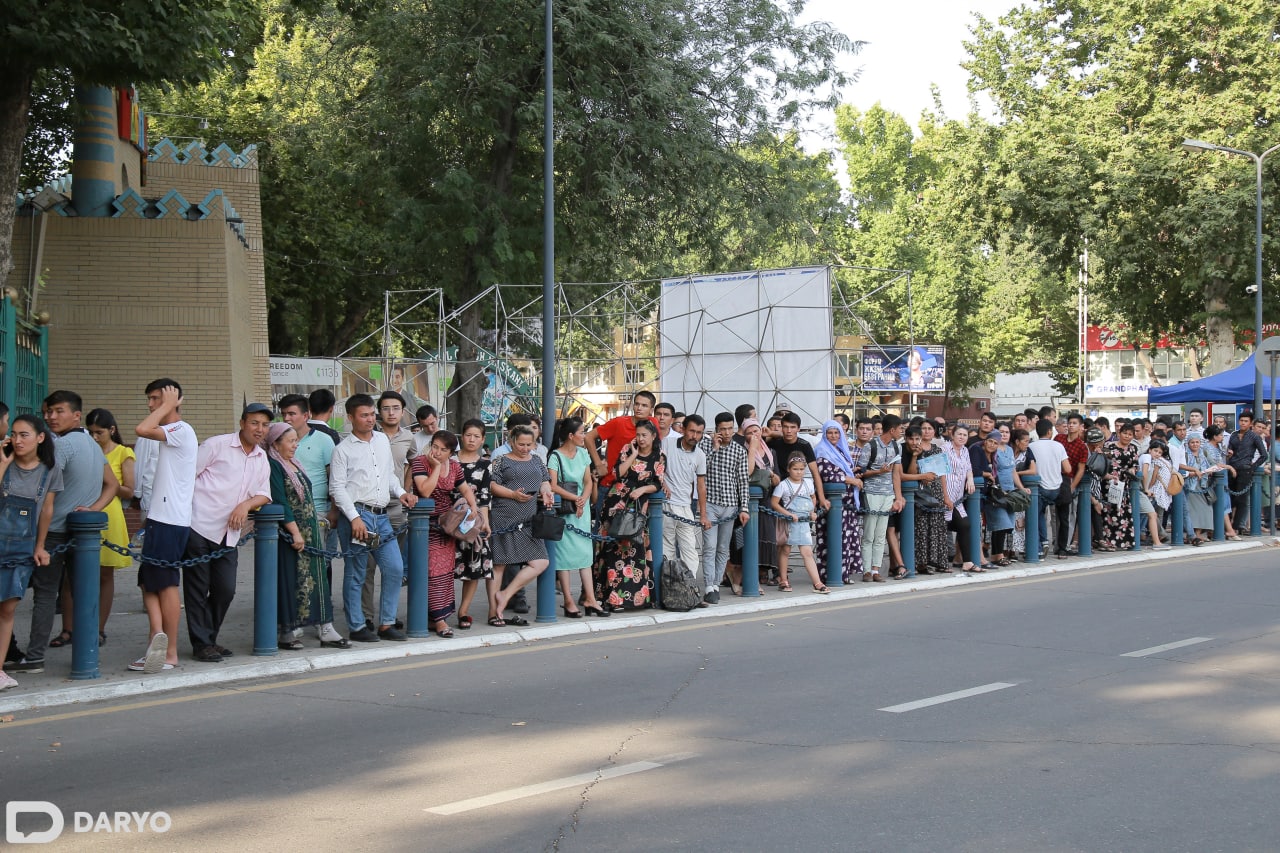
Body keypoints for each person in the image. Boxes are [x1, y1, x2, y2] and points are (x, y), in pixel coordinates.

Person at [14, 391, 117, 675]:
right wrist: (93, 508)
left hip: (55, 532)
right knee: (82, 591)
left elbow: (40, 490)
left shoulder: (62, 446)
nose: (51, 417)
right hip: (83, 534)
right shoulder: (92, 443)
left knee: (46, 595)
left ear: (75, 415)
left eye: (59, 411)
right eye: (49, 412)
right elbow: (112, 484)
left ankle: (34, 657)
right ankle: (87, 651)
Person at [184, 403, 272, 662]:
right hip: (198, 525)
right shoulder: (216, 445)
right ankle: (202, 644)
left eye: (265, 425)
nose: (260, 429)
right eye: (255, 423)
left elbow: (264, 494)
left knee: (225, 589)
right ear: (243, 422)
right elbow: (187, 476)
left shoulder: (260, 457)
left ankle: (208, 638)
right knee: (197, 590)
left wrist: (245, 505)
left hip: (228, 533)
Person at [331, 393, 418, 643]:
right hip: (357, 515)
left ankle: (387, 623)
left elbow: (389, 474)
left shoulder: (381, 440)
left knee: (394, 568)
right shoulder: (342, 450)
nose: (371, 419)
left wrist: (402, 493)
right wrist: (354, 517)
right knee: (357, 573)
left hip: (382, 516)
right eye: (364, 415)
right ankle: (357, 626)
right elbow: (337, 488)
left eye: (372, 414)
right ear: (350, 418)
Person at [130, 380, 197, 673]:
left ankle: (169, 652)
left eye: (156, 398)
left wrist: (169, 406)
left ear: (174, 400)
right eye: (149, 399)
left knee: (167, 582)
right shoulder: (171, 433)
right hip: (160, 517)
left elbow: (142, 430)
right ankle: (155, 637)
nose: (150, 405)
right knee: (148, 580)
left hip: (170, 519)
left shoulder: (180, 430)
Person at [264, 422, 347, 650]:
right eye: (290, 441)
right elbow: (282, 501)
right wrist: (294, 533)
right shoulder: (274, 466)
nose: (295, 445)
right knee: (293, 581)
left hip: (309, 533)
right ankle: (288, 632)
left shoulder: (293, 464)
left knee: (317, 578)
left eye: (295, 440)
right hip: (294, 536)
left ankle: (326, 628)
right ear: (276, 443)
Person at [0, 416, 62, 691]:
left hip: (21, 549)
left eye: (24, 434)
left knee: (7, 609)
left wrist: (40, 546)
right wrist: (2, 465)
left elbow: (46, 510)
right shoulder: (4, 463)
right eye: (14, 434)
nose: (18, 440)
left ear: (40, 438)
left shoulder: (50, 470)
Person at [64, 408, 135, 644]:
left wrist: (109, 484)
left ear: (112, 430)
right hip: (83, 510)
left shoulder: (123, 452)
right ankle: (69, 629)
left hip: (109, 512)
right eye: (91, 432)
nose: (95, 437)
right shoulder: (85, 448)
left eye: (100, 433)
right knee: (70, 574)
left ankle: (99, 628)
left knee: (105, 573)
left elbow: (129, 489)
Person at [412, 430, 479, 637]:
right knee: (431, 573)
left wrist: (473, 507)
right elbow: (424, 490)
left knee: (444, 574)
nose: (437, 452)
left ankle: (437, 617)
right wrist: (437, 467)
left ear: (451, 452)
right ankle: (438, 620)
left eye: (443, 450)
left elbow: (465, 488)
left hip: (447, 525)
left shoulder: (456, 466)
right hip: (424, 524)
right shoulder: (420, 462)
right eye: (435, 447)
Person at [593, 420, 664, 612]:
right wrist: (632, 455)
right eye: (638, 435)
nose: (640, 439)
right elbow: (617, 473)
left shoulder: (659, 457)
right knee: (612, 549)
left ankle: (634, 598)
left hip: (637, 506)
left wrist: (641, 490)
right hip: (615, 503)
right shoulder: (627, 449)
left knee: (635, 548)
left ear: (653, 436)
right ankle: (611, 599)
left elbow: (657, 483)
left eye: (644, 435)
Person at [489, 426, 555, 621]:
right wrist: (512, 494)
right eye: (521, 444)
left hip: (528, 521)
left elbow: (545, 480)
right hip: (504, 516)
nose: (525, 448)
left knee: (541, 561)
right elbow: (491, 485)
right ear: (512, 441)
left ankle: (505, 595)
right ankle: (494, 613)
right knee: (499, 565)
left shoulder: (536, 460)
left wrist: (546, 491)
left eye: (529, 444)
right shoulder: (501, 460)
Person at [367, 391, 417, 625]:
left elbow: (412, 465)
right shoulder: (370, 436)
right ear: (379, 411)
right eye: (386, 408)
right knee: (366, 568)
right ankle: (365, 617)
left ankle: (389, 616)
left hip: (397, 508)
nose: (391, 412)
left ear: (403, 411)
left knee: (393, 567)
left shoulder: (408, 437)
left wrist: (405, 489)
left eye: (395, 408)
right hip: (368, 507)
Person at [548, 417, 604, 616]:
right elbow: (553, 485)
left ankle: (590, 598)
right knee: (563, 557)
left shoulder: (583, 453)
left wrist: (583, 499)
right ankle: (568, 600)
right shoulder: (555, 456)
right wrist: (576, 499)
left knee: (585, 554)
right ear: (571, 436)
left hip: (581, 508)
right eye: (581, 432)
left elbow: (588, 480)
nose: (584, 436)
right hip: (565, 510)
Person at [698, 412, 749, 603]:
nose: (727, 432)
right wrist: (715, 449)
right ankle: (709, 585)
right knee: (709, 547)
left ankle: (716, 584)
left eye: (730, 428)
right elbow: (701, 470)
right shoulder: (705, 445)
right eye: (723, 429)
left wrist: (743, 508)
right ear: (716, 429)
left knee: (722, 548)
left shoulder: (739, 451)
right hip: (709, 503)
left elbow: (742, 481)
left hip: (730, 505)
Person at [660, 413, 708, 602]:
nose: (694, 436)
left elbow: (701, 485)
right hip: (665, 506)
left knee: (691, 553)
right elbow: (657, 467)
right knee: (667, 552)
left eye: (699, 433)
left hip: (686, 508)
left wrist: (703, 515)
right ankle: (669, 592)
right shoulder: (667, 444)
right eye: (692, 431)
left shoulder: (700, 455)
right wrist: (662, 481)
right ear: (683, 429)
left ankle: (689, 591)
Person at [813, 418, 865, 582]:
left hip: (846, 503)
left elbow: (845, 471)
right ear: (824, 434)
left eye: (837, 432)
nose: (833, 436)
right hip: (832, 502)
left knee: (847, 538)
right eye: (830, 432)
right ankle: (832, 574)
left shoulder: (841, 451)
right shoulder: (821, 450)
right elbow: (827, 474)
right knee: (833, 537)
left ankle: (845, 573)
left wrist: (854, 477)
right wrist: (852, 480)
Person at [771, 453, 829, 593]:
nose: (799, 472)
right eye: (795, 469)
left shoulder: (808, 483)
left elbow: (813, 498)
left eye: (801, 469)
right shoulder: (783, 485)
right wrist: (788, 514)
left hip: (804, 522)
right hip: (789, 522)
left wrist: (812, 511)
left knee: (807, 552)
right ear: (789, 469)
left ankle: (817, 582)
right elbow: (774, 503)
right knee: (785, 550)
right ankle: (783, 579)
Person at [860, 414, 905, 582]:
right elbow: (861, 471)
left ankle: (875, 570)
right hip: (871, 492)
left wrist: (898, 498)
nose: (901, 432)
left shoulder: (896, 447)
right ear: (892, 429)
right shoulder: (870, 446)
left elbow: (896, 475)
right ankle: (866, 569)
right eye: (900, 429)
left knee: (880, 535)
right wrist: (879, 471)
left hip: (888, 494)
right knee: (869, 533)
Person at [585, 390, 657, 495]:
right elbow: (588, 437)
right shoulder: (619, 423)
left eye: (644, 405)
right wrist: (598, 464)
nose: (639, 408)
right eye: (637, 404)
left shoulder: (653, 423)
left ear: (651, 410)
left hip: (639, 488)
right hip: (611, 485)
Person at [903, 422, 951, 576]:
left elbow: (943, 474)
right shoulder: (913, 449)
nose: (927, 431)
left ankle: (939, 562)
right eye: (924, 428)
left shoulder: (938, 450)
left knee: (938, 527)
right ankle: (922, 563)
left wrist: (946, 495)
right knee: (922, 527)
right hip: (921, 491)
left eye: (930, 428)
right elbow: (910, 472)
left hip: (936, 490)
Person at [1029, 418, 1071, 557]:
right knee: (1055, 517)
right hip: (1057, 488)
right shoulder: (1058, 446)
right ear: (1049, 431)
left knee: (1036, 515)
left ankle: (1040, 545)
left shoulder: (1032, 446)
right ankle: (1048, 543)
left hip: (1039, 488)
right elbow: (1067, 468)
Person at [1097, 422, 1140, 551]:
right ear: (1119, 434)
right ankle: (1108, 541)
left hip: (1124, 483)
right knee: (1109, 511)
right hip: (1109, 482)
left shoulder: (1133, 448)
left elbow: (1135, 464)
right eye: (1125, 433)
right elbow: (1102, 462)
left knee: (1123, 512)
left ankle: (1124, 541)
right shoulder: (1109, 446)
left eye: (1130, 434)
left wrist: (1132, 470)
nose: (1127, 436)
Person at [944, 424, 978, 572]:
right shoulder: (944, 448)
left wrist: (970, 479)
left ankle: (967, 561)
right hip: (945, 495)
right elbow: (940, 472)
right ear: (952, 435)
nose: (962, 437)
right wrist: (945, 496)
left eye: (965, 435)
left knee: (965, 525)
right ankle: (942, 562)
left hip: (958, 498)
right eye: (959, 434)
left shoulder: (965, 451)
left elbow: (968, 468)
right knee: (942, 528)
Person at [980, 432, 1016, 568]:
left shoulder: (1006, 451)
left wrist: (1021, 487)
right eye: (991, 441)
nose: (1004, 435)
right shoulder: (982, 451)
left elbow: (1013, 471)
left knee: (1006, 525)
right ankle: (997, 555)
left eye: (1007, 432)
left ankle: (998, 554)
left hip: (1005, 491)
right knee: (1000, 523)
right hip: (991, 493)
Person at [1142, 440, 1174, 550]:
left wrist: (1147, 488)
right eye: (1156, 451)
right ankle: (1158, 535)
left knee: (1152, 514)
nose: (1157, 454)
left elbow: (1154, 477)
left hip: (1157, 490)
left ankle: (1159, 534)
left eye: (1160, 452)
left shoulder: (1157, 462)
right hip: (1163, 491)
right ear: (1150, 449)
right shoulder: (1164, 461)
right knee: (1156, 514)